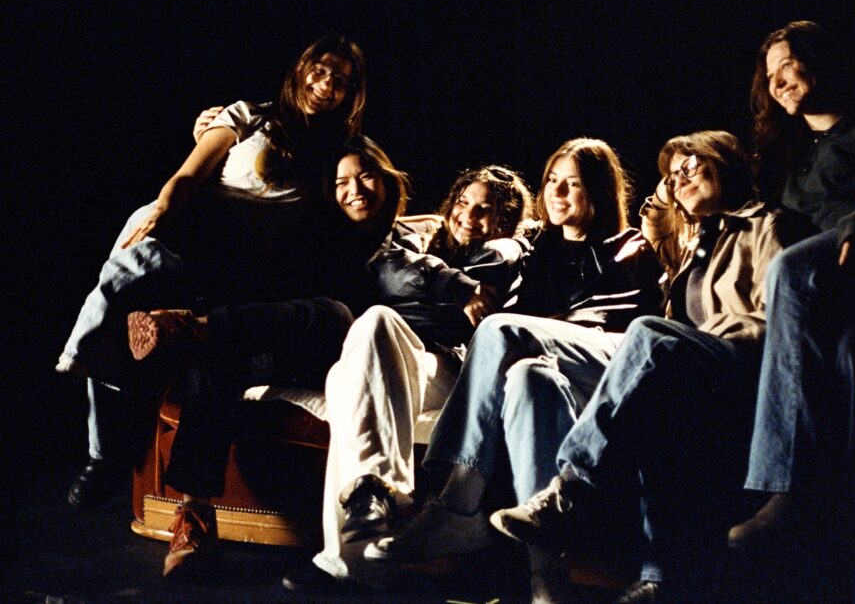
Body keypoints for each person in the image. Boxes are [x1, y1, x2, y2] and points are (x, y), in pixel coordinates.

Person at [126, 142, 528, 579]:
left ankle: (198, 327)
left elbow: (413, 269)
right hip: (324, 350)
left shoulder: (491, 251)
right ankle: (196, 515)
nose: (470, 215)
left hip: (419, 355)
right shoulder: (363, 233)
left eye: (484, 209)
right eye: (342, 182)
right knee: (221, 357)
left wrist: (457, 283)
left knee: (351, 323)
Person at [486, 131, 798, 601]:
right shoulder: (697, 243)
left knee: (647, 332)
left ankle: (572, 489)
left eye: (691, 167)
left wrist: (698, 341)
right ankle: (655, 579)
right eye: (672, 177)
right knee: (625, 393)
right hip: (691, 370)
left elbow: (784, 319)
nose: (679, 180)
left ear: (725, 164)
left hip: (743, 365)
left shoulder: (766, 224)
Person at [58, 35, 367, 509]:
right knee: (136, 262)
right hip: (194, 234)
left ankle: (181, 496)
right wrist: (162, 209)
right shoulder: (248, 115)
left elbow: (368, 188)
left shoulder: (337, 150)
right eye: (320, 70)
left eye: (341, 81)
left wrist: (416, 217)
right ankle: (103, 447)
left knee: (193, 341)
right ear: (301, 68)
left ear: (351, 94)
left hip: (240, 271)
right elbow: (188, 176)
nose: (326, 84)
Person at [362, 137, 664, 603]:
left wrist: (544, 329)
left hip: (610, 362)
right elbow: (451, 232)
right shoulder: (534, 246)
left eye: (573, 185)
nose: (558, 194)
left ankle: (458, 500)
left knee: (502, 330)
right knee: (527, 381)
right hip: (550, 368)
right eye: (552, 182)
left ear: (600, 193)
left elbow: (625, 317)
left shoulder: (629, 246)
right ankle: (546, 579)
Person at [280, 166, 535, 593]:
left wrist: (423, 294)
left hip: (455, 371)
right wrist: (452, 288)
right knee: (351, 369)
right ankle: (368, 511)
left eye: (484, 210)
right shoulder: (415, 239)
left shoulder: (506, 252)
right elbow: (386, 273)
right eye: (462, 203)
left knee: (376, 324)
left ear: (504, 220)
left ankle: (344, 558)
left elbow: (457, 296)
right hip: (394, 356)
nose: (468, 216)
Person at [726, 20, 855, 551]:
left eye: (787, 65)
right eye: (769, 76)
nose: (778, 82)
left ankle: (787, 487)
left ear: (817, 60)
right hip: (810, 285)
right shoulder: (793, 158)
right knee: (771, 274)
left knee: (790, 267)